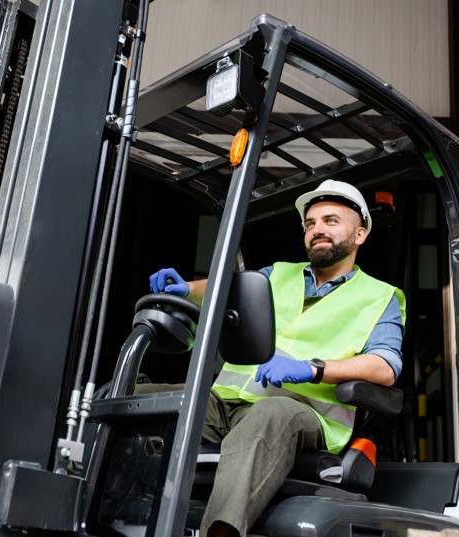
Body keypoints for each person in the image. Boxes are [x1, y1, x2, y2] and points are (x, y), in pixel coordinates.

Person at [146, 180, 406, 537]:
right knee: (139, 397)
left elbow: (385, 366)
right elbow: (227, 290)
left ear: (359, 234)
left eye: (330, 221)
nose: (317, 230)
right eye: (311, 224)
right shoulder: (278, 273)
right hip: (226, 405)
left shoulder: (380, 297)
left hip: (302, 415)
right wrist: (187, 289)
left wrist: (313, 369)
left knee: (272, 413)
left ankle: (221, 533)